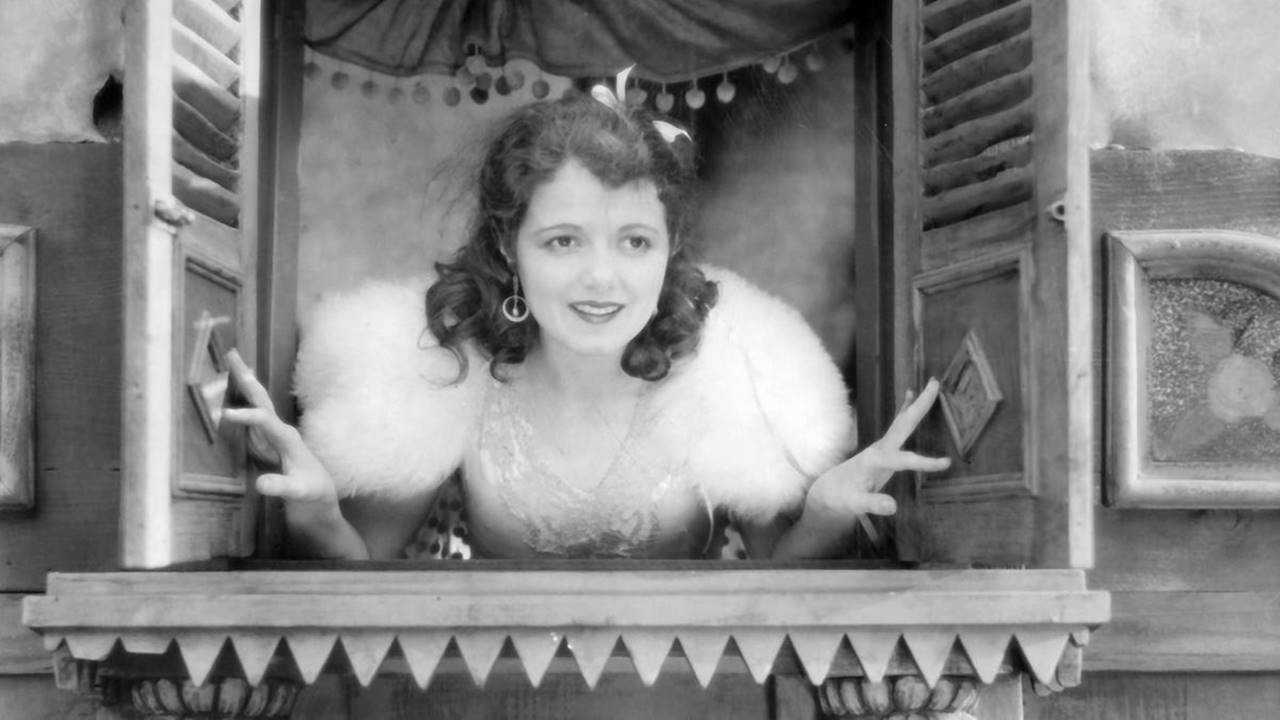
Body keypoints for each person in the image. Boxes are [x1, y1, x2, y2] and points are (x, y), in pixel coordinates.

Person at [223, 79, 949, 561]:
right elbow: (363, 571)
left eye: (635, 242)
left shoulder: (729, 379)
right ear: (508, 247)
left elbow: (781, 588)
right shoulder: (448, 380)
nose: (602, 279)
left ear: (670, 249)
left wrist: (825, 515)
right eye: (563, 242)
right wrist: (317, 512)